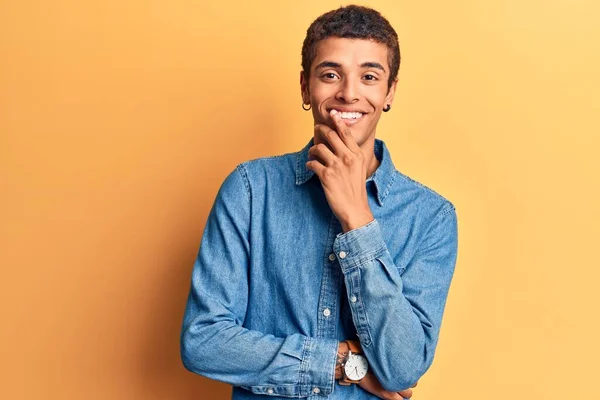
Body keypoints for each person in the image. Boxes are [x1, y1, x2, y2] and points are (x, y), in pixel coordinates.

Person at [180, 5, 458, 400]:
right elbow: (203, 340)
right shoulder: (249, 189)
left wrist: (358, 220)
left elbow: (403, 367)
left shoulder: (431, 217)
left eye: (369, 76)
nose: (349, 92)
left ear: (389, 91)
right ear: (305, 87)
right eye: (331, 74)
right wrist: (344, 363)